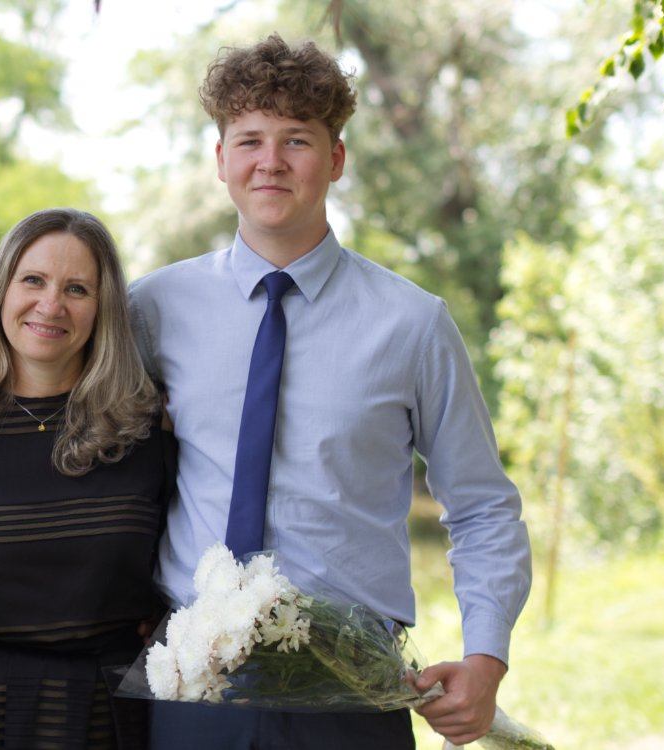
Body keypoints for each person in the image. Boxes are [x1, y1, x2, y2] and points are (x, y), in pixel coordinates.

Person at [127, 35, 532, 749]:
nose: (271, 161)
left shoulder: (412, 324)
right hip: (192, 688)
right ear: (220, 159)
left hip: (354, 693)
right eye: (249, 140)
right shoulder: (153, 309)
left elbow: (482, 505)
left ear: (337, 158)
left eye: (297, 140)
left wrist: (485, 658)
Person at [0, 208, 173, 749]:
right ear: (1, 290)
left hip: (104, 710)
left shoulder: (149, 425)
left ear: (103, 308)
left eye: (77, 288)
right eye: (33, 280)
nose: (51, 305)